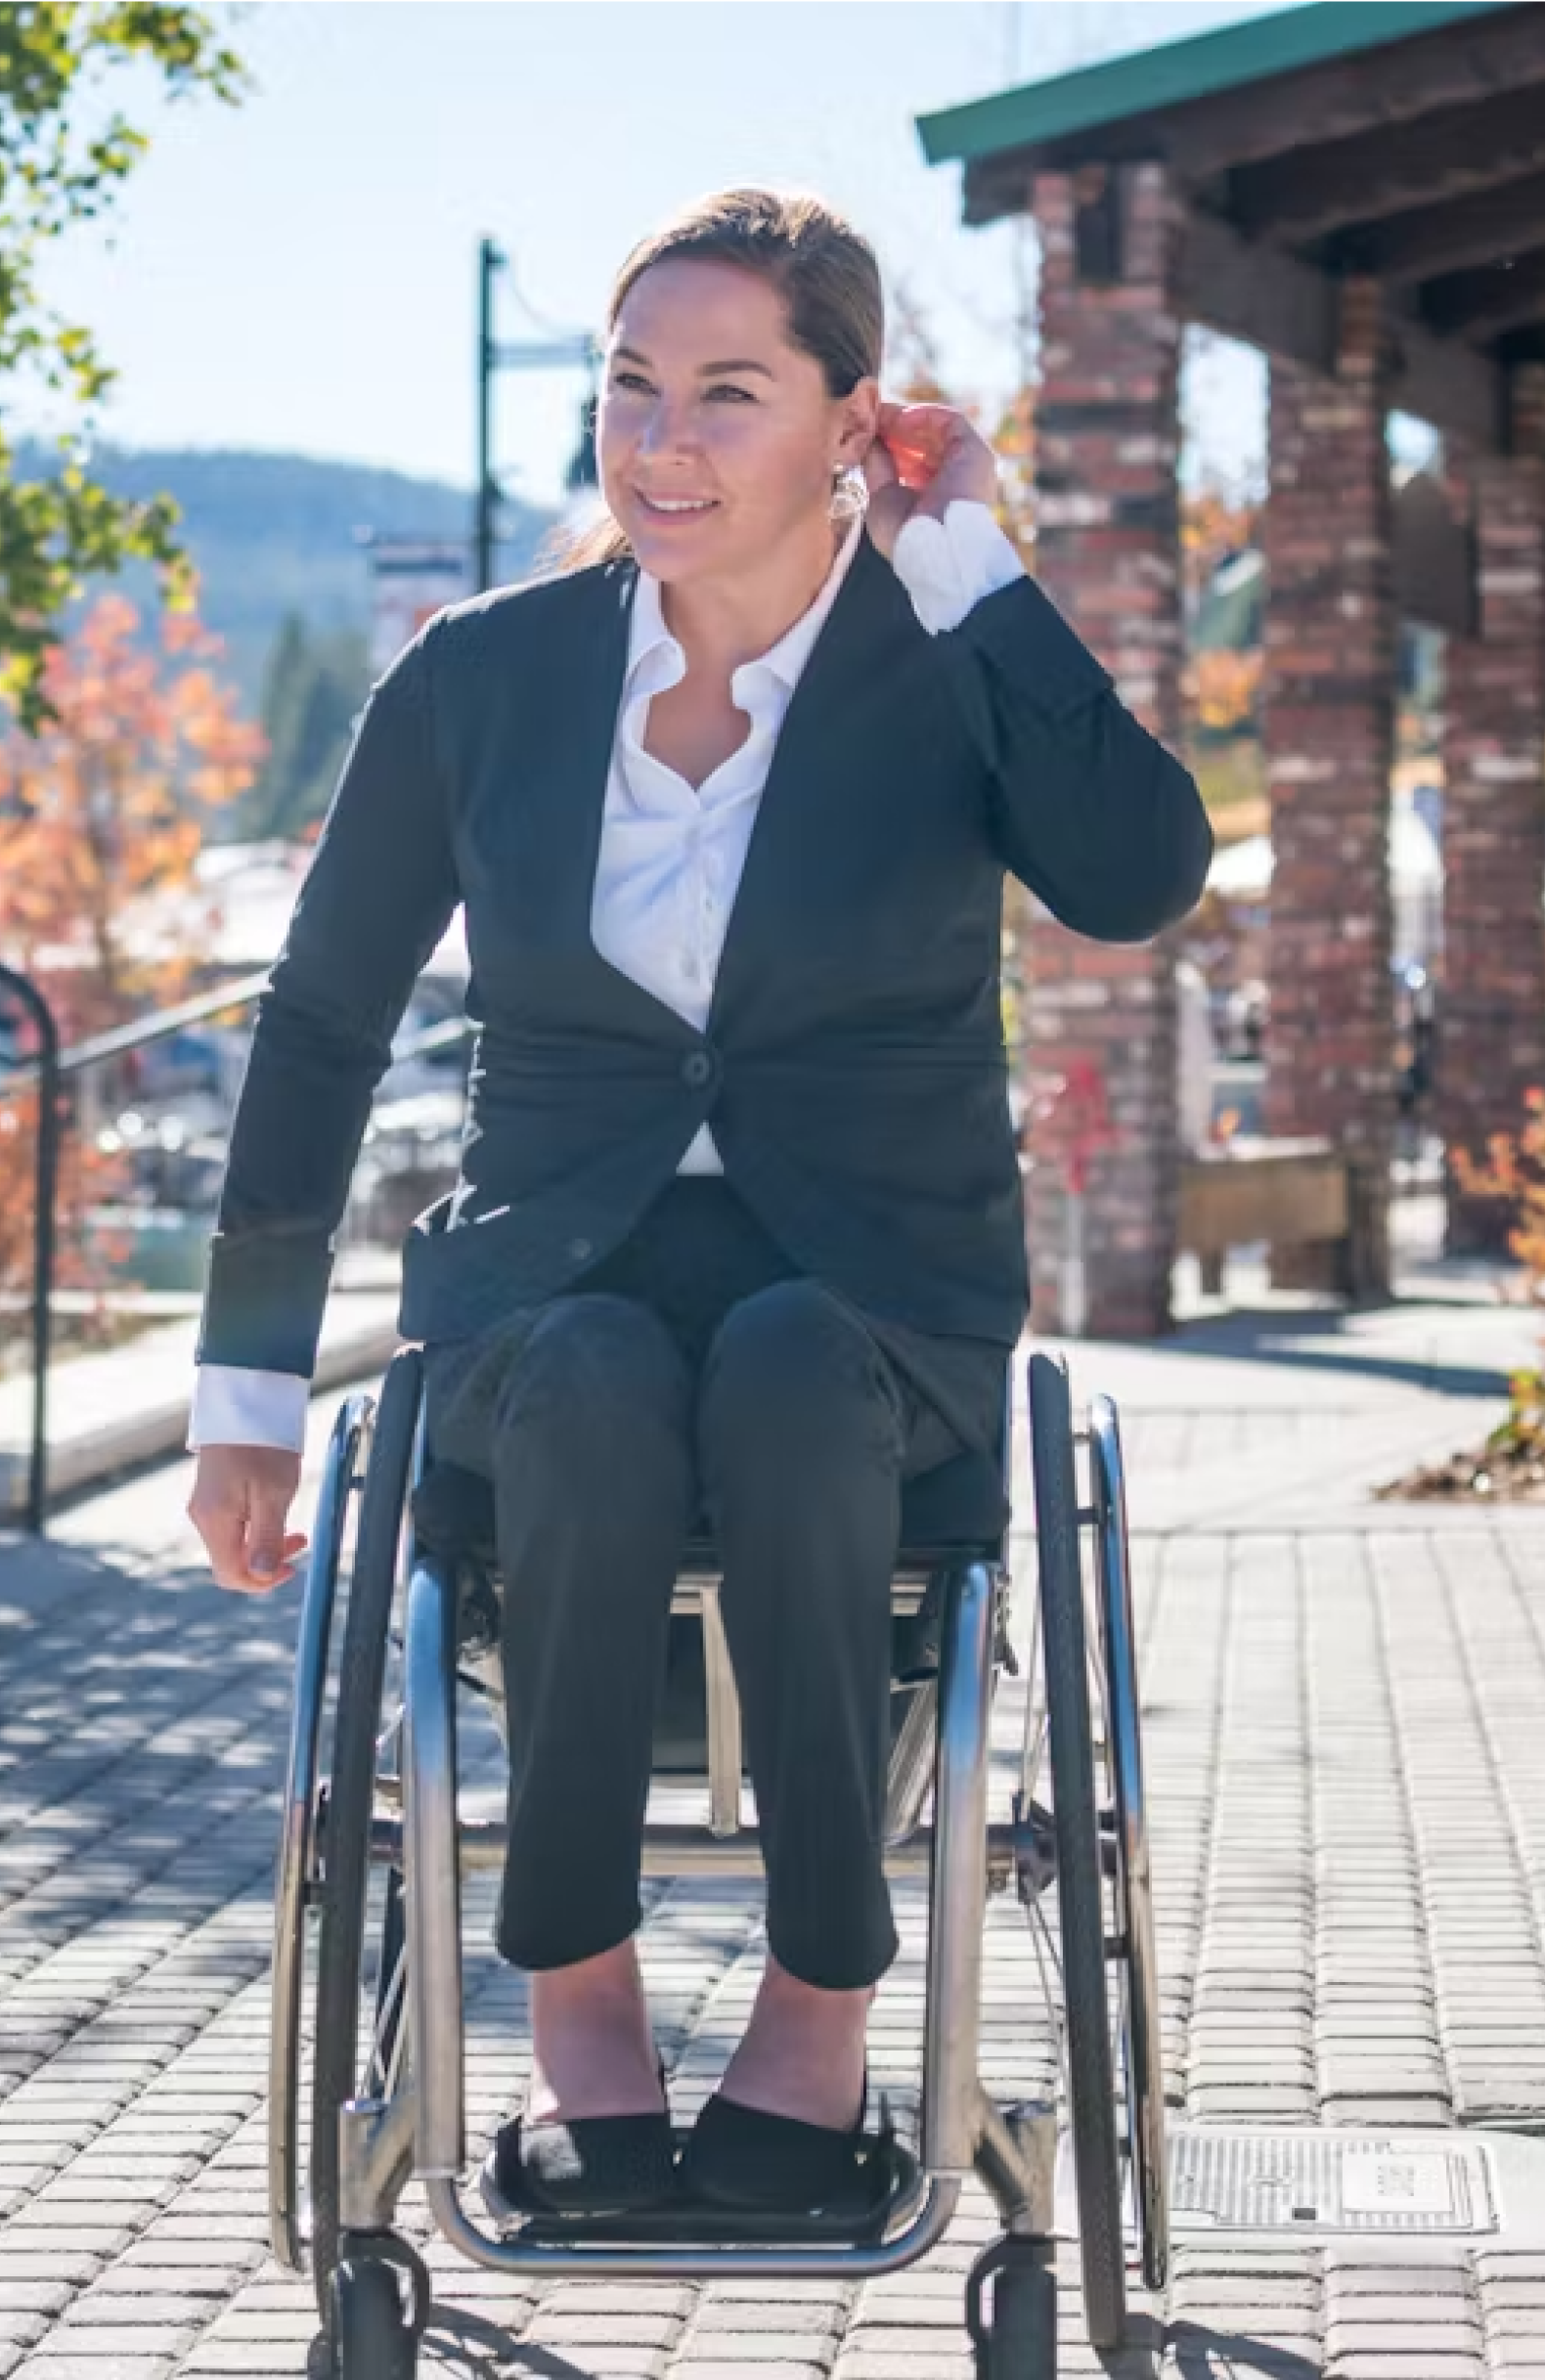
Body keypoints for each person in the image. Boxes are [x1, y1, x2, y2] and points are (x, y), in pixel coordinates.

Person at [186, 188, 1212, 2222]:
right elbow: (317, 1025)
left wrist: (970, 557)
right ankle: (581, 2010)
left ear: (852, 418)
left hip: (877, 1291)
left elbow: (1138, 872)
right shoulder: (481, 679)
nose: (662, 441)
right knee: (582, 1378)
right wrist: (247, 1397)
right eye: (631, 385)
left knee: (789, 1369)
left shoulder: (943, 651)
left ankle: (821, 2012)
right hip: (546, 1284)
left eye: (729, 392)